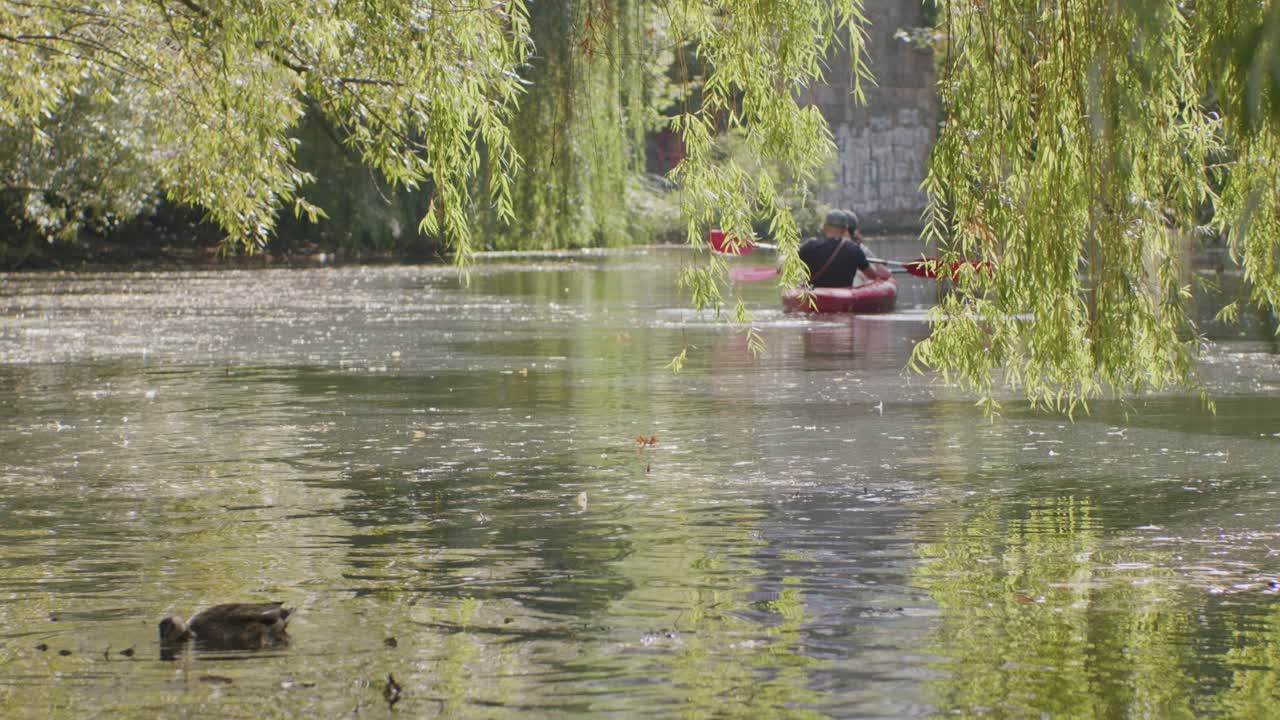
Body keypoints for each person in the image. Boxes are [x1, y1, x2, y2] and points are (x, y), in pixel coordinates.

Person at [796, 210, 891, 287]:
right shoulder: (854, 249)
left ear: (824, 227)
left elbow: (786, 263)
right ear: (845, 229)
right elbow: (873, 276)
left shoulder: (810, 245)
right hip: (844, 297)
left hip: (816, 297)